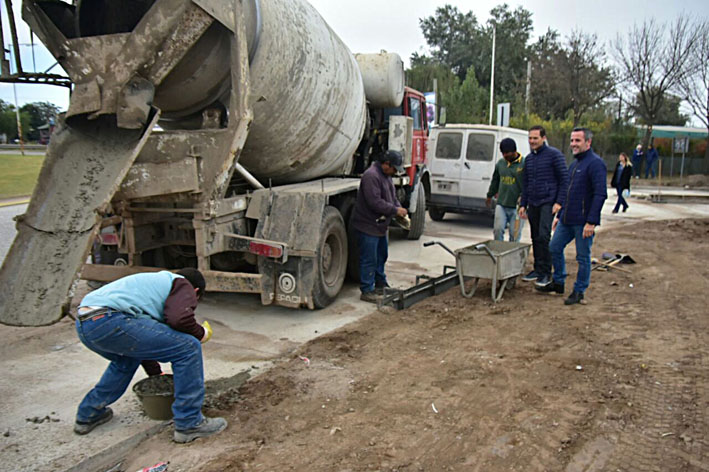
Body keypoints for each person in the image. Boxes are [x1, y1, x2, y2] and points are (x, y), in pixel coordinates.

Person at [73, 268, 226, 443]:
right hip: (110, 319)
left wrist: (155, 374)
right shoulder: (182, 284)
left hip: (86, 324)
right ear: (196, 292)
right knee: (189, 347)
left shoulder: (152, 288)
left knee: (126, 360)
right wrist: (201, 333)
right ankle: (189, 422)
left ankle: (89, 413)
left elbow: (140, 343)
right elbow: (179, 319)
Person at [537, 128, 607, 305]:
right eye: (572, 140)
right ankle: (558, 282)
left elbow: (600, 194)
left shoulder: (595, 164)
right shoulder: (574, 164)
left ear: (588, 143)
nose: (573, 144)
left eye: (577, 141)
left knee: (583, 257)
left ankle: (579, 291)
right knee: (554, 247)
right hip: (567, 220)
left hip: (583, 222)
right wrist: (560, 215)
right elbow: (568, 192)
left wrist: (591, 222)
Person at [352, 150, 408, 303]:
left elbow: (392, 197)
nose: (395, 172)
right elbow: (374, 202)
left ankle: (380, 284)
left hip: (379, 226)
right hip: (368, 225)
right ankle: (367, 290)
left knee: (381, 256)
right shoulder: (371, 176)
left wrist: (399, 209)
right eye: (394, 168)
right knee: (369, 258)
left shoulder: (386, 176)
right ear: (386, 164)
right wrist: (395, 210)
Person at [518, 125, 569, 288]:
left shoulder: (554, 155)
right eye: (530, 138)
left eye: (535, 138)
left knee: (544, 236)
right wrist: (523, 204)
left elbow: (564, 180)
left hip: (548, 202)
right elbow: (526, 183)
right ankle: (538, 269)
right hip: (533, 203)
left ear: (543, 138)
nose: (532, 141)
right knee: (535, 236)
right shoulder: (529, 159)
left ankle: (547, 272)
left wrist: (559, 202)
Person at [486, 137, 525, 242]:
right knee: (498, 230)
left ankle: (512, 256)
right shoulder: (500, 164)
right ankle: (498, 253)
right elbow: (495, 181)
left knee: (514, 234)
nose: (505, 156)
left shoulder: (524, 164)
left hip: (517, 207)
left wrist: (525, 202)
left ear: (514, 151)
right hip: (502, 203)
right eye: (503, 153)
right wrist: (489, 195)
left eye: (507, 153)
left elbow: (529, 184)